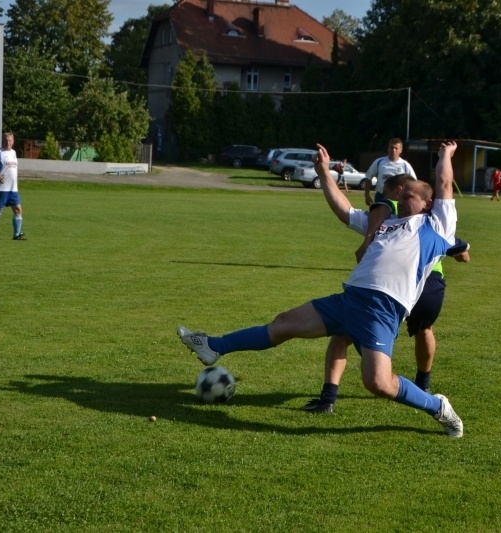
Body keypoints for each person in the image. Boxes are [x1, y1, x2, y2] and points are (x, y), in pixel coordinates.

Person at [178, 141, 464, 437]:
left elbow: (443, 182)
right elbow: (344, 211)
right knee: (283, 323)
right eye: (401, 195)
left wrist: (445, 154)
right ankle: (213, 346)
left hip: (381, 310)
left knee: (379, 383)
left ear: (428, 203)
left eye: (409, 196)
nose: (401, 200)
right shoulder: (385, 223)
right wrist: (324, 173)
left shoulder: (437, 226)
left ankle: (437, 407)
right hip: (349, 300)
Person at [303, 174, 470, 414]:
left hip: (399, 282)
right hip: (431, 281)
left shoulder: (385, 212)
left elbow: (352, 212)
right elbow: (461, 248)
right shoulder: (428, 218)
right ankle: (423, 387)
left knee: (342, 334)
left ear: (399, 190)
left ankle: (328, 397)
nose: (396, 199)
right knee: (423, 331)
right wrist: (460, 251)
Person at [0, 132, 25, 241]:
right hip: (2, 188)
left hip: (13, 189)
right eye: (6, 140)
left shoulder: (14, 153)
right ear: (2, 141)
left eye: (10, 140)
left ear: (13, 141)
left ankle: (17, 235)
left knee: (17, 209)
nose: (8, 142)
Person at [363, 137, 417, 206]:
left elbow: (414, 182)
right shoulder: (379, 162)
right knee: (380, 216)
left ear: (401, 150)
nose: (393, 150)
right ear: (388, 148)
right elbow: (368, 177)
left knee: (397, 216)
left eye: (396, 148)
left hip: (398, 198)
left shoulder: (405, 165)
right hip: (381, 196)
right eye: (391, 147)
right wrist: (367, 195)